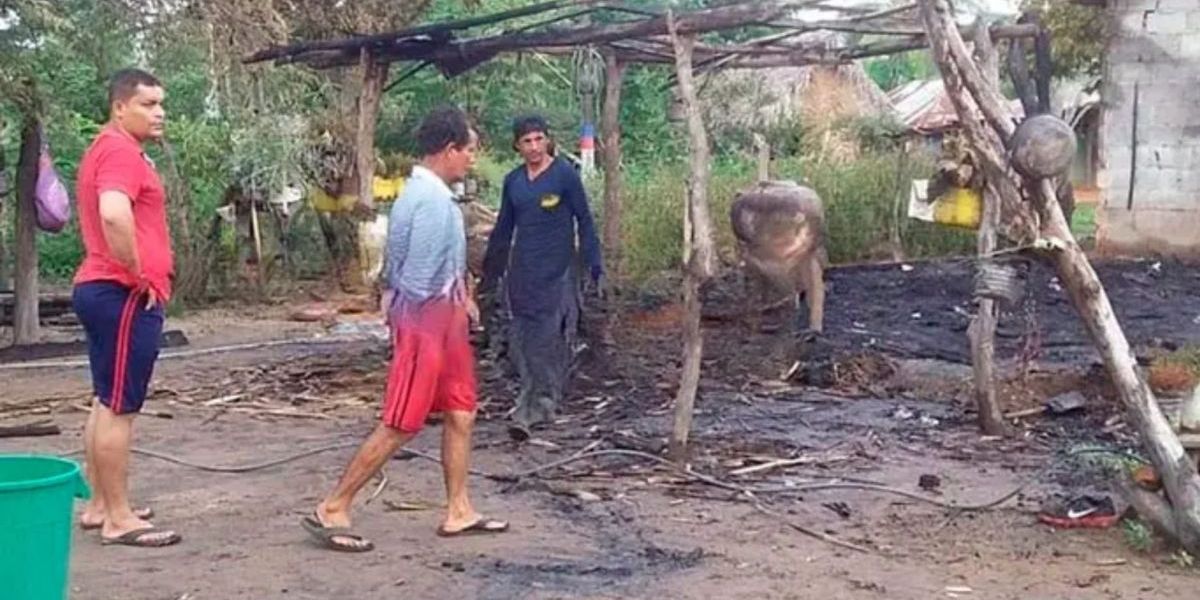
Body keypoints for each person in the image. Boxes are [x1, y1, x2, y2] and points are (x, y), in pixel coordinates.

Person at [302, 106, 508, 553]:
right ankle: (333, 506)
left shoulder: (428, 194)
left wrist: (462, 299)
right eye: (469, 151)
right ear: (450, 150)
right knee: (402, 421)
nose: (472, 159)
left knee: (461, 411)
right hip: (426, 324)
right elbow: (412, 276)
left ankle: (458, 510)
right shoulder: (429, 200)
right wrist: (419, 321)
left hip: (444, 322)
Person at [73, 68, 181, 547]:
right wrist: (139, 274)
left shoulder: (112, 148)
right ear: (120, 107)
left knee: (105, 399)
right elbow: (114, 212)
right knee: (121, 407)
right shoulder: (119, 150)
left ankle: (100, 505)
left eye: (161, 104)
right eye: (147, 104)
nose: (158, 113)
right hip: (120, 294)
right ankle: (119, 519)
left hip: (105, 291)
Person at [481, 115, 603, 441]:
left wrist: (594, 262)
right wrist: (489, 273)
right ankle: (532, 395)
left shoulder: (564, 175)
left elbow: (584, 220)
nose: (534, 147)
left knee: (547, 336)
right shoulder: (514, 182)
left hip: (558, 270)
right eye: (527, 141)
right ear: (517, 146)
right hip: (522, 271)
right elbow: (503, 230)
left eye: (539, 139)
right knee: (521, 337)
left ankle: (537, 406)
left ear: (548, 140)